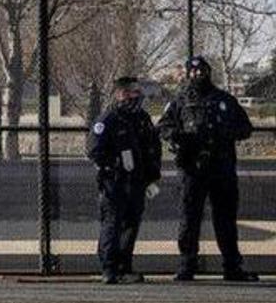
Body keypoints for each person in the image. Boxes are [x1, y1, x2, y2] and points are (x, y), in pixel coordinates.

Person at [157, 56, 259, 282]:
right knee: (189, 217)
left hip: (221, 168)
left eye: (201, 70)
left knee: (225, 218)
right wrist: (176, 138)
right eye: (192, 71)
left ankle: (232, 266)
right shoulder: (180, 100)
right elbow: (163, 125)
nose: (197, 75)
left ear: (208, 72)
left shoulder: (224, 99)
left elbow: (245, 127)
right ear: (187, 74)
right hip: (192, 169)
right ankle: (187, 265)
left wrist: (222, 135)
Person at [86, 76, 161, 284]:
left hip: (137, 182)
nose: (135, 97)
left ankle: (124, 266)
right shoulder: (108, 119)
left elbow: (153, 148)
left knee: (131, 224)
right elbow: (93, 150)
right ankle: (109, 268)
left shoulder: (142, 119)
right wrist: (114, 163)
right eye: (130, 92)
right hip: (114, 182)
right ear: (119, 94)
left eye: (137, 92)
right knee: (112, 223)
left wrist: (152, 175)